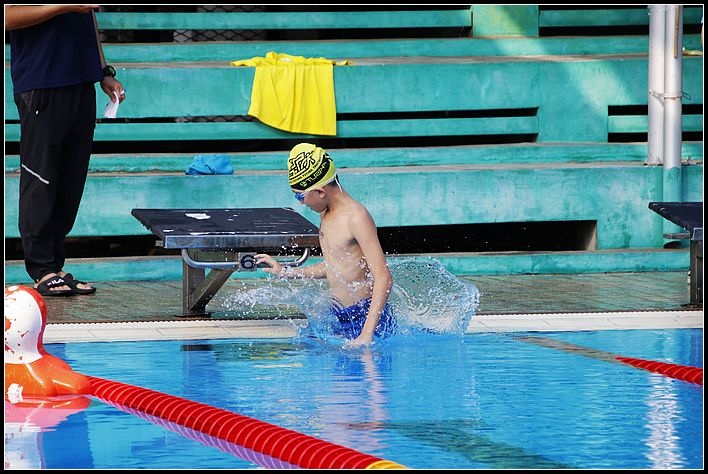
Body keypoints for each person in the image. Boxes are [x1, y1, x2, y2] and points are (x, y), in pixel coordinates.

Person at [5, 5, 125, 297]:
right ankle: (42, 269)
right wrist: (63, 6)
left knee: (70, 182)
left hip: (81, 83)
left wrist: (103, 71)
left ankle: (55, 267)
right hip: (41, 82)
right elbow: (8, 16)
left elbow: (89, 16)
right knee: (41, 178)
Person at [255, 143, 395, 348]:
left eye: (300, 196)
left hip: (365, 320)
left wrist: (366, 334)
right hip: (340, 317)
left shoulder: (356, 218)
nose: (301, 203)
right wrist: (286, 272)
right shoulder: (325, 213)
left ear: (320, 191)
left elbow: (384, 277)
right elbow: (335, 266)